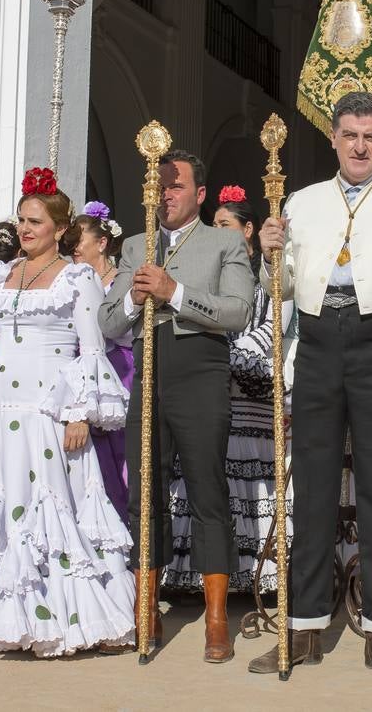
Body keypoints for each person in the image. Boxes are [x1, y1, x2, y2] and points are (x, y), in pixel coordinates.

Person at [249, 91, 372, 683]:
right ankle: (304, 625)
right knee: (311, 488)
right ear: (334, 138)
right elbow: (278, 288)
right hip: (317, 340)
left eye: (371, 136)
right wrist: (268, 253)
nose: (360, 146)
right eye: (350, 135)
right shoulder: (302, 202)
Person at [0, 169, 136, 655]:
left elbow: (91, 348)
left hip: (47, 412)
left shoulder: (78, 278)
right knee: (2, 508)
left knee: (55, 510)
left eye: (35, 220)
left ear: (60, 228)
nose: (25, 228)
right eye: (21, 219)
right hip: (2, 412)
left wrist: (79, 412)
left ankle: (67, 618)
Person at [99, 151, 255, 664]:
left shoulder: (224, 241)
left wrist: (176, 292)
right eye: (159, 187)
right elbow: (108, 322)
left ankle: (215, 617)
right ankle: (148, 605)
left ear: (200, 194)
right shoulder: (137, 245)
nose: (165, 194)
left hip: (200, 366)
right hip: (150, 366)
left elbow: (238, 311)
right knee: (146, 488)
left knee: (207, 488)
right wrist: (133, 298)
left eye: (176, 186)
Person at [164, 186, 295, 594]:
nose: (218, 233)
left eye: (226, 225)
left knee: (247, 482)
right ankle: (198, 576)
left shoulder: (267, 278)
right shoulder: (208, 275)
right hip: (210, 392)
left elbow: (273, 327)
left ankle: (257, 576)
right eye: (214, 225)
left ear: (249, 231)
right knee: (205, 478)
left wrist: (226, 353)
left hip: (250, 399)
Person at [67, 201, 132, 522]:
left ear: (102, 243)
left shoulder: (120, 282)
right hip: (78, 377)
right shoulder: (70, 280)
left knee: (118, 462)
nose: (74, 248)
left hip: (119, 372)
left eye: (79, 240)